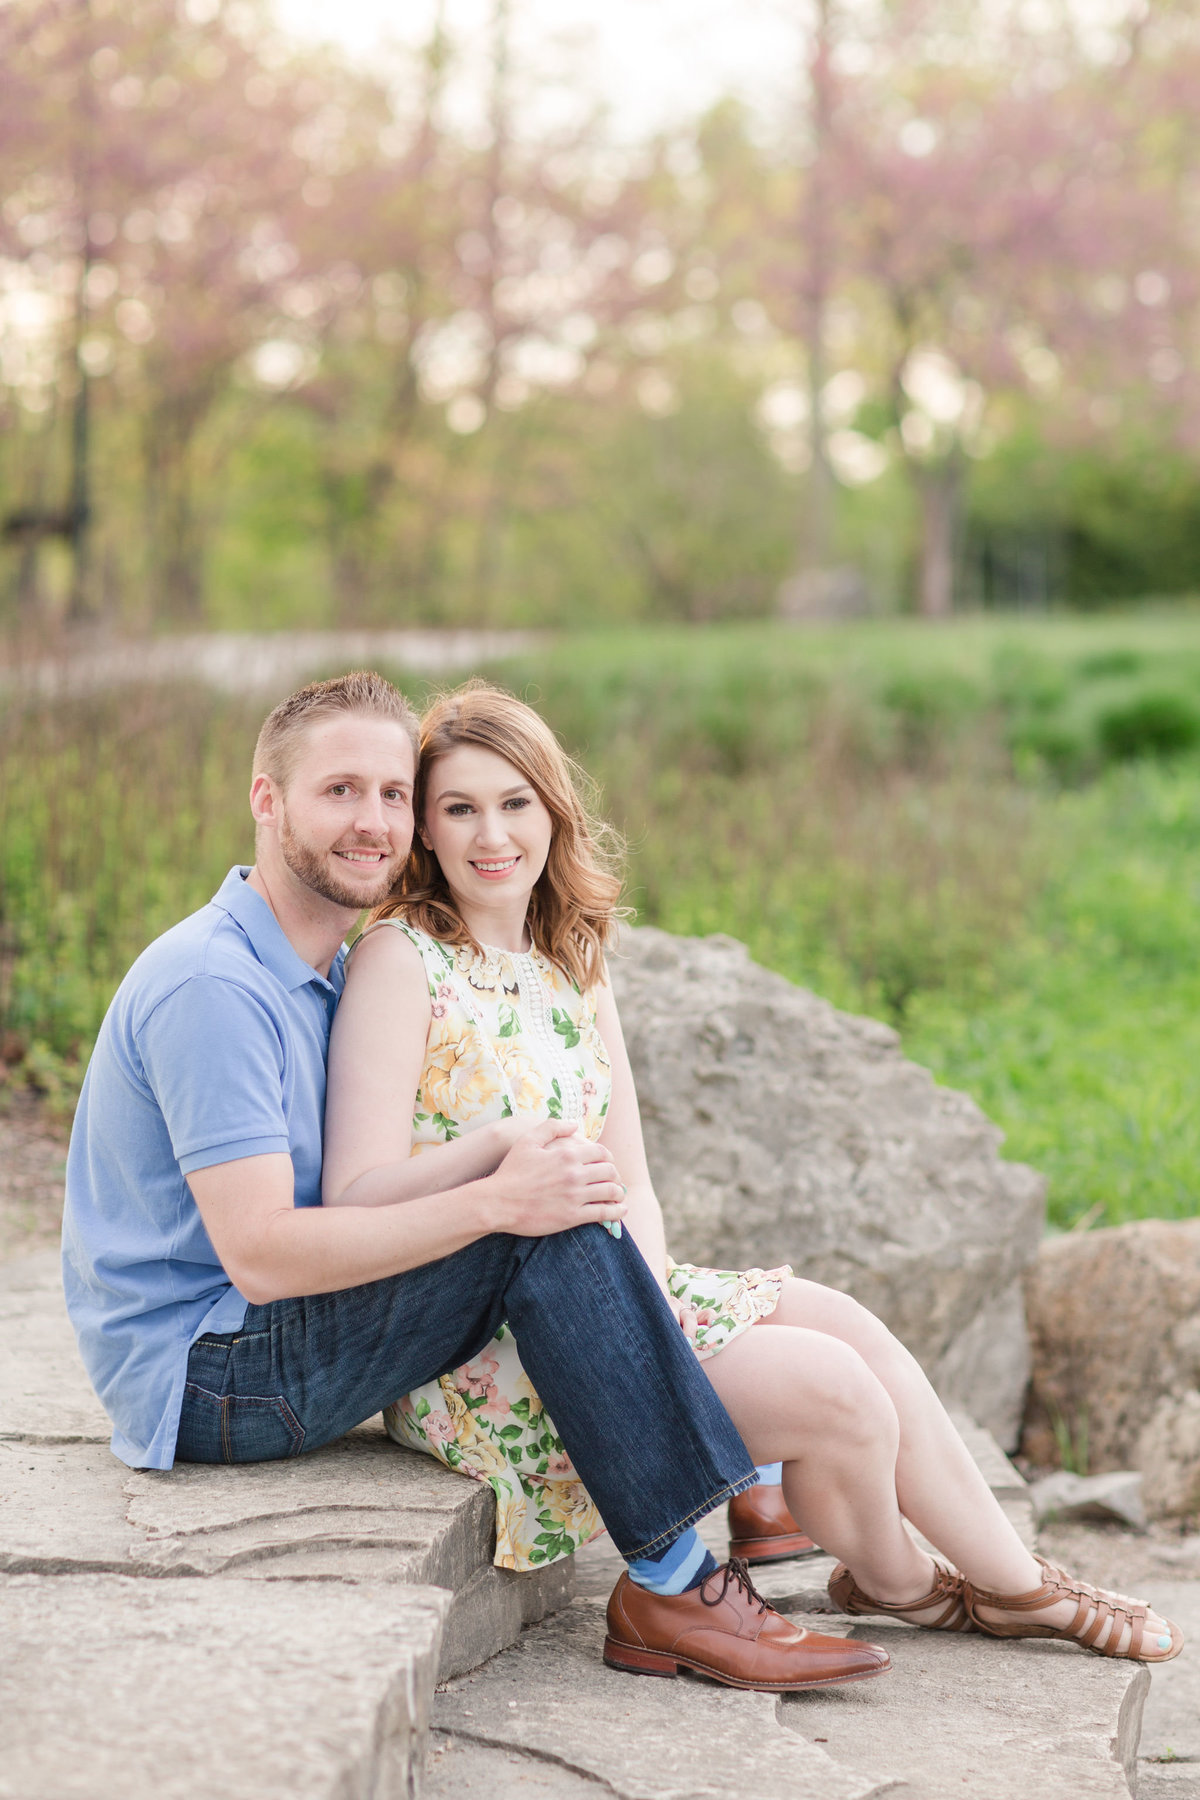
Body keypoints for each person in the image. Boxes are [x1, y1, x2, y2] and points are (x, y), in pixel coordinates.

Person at [322, 679, 1183, 1671]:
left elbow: (632, 1182)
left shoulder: (571, 960)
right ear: (424, 831)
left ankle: (1007, 1579)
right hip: (501, 1352)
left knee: (856, 1330)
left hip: (615, 1298)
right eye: (459, 809)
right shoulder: (401, 961)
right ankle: (925, 1585)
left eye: (515, 803)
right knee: (840, 1394)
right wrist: (498, 1162)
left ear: (553, 811)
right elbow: (356, 1194)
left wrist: (653, 1306)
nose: (492, 835)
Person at [61, 670, 889, 1696]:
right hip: (212, 1377)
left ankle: (743, 1499)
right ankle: (678, 1579)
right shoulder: (215, 985)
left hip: (264, 1329)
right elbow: (264, 1255)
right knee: (536, 1208)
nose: (371, 821)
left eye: (391, 794)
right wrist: (495, 1201)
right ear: (266, 800)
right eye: (338, 790)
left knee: (543, 1180)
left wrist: (503, 1169)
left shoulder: (319, 964)